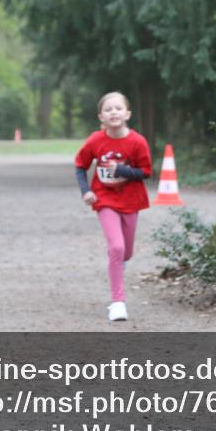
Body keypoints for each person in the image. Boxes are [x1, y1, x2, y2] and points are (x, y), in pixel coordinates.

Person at [74, 92, 153, 322]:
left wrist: (120, 170)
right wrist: (86, 191)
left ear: (127, 114)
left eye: (118, 108)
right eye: (108, 109)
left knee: (126, 252)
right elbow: (80, 166)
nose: (114, 112)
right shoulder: (95, 140)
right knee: (116, 248)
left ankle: (118, 264)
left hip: (131, 200)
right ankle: (118, 302)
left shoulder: (137, 141)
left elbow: (146, 172)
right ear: (101, 116)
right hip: (104, 199)